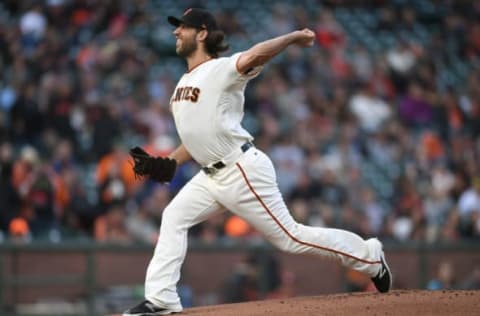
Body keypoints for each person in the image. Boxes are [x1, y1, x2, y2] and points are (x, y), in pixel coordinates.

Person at [123, 8, 392, 316]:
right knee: (173, 216)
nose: (175, 32)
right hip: (211, 175)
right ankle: (161, 300)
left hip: (240, 169)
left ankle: (369, 256)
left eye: (182, 27)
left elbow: (254, 55)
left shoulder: (221, 69)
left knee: (290, 237)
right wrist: (166, 163)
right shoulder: (181, 86)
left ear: (201, 34)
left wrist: (292, 38)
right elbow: (196, 138)